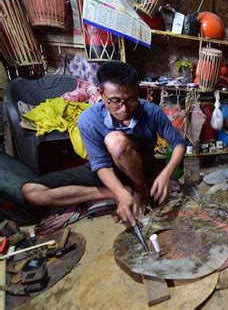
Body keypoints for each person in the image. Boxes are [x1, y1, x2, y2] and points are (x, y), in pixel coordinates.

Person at [22, 61, 185, 225]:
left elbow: (178, 144)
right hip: (108, 173)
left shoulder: (151, 111)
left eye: (131, 100)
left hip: (142, 170)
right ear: (101, 93)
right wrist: (118, 192)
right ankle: (111, 193)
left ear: (138, 91)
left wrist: (166, 173)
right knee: (32, 192)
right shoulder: (89, 119)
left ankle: (140, 187)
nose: (124, 109)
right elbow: (100, 165)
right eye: (115, 101)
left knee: (116, 141)